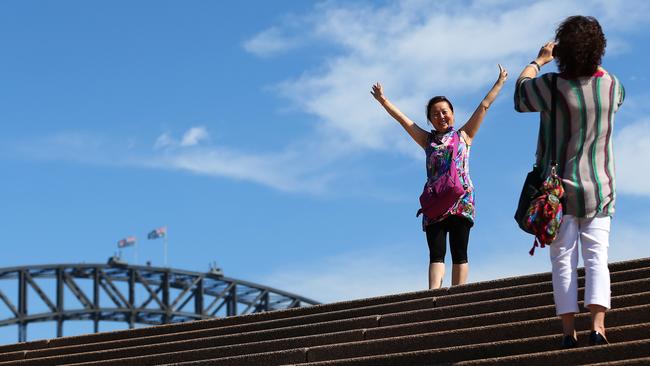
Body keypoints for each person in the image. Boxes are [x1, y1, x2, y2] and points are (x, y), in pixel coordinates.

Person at [514, 16, 625, 347]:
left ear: (563, 50)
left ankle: (567, 333)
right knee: (597, 258)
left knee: (563, 259)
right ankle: (598, 327)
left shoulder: (550, 86)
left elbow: (520, 96)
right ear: (597, 50)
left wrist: (538, 61)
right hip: (600, 188)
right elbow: (617, 97)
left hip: (556, 193)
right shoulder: (612, 86)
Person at [371, 65, 508, 289]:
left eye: (445, 111)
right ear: (430, 120)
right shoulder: (427, 141)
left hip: (460, 200)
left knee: (459, 251)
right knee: (436, 253)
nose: (441, 116)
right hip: (435, 202)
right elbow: (404, 121)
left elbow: (484, 106)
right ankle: (433, 296)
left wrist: (499, 82)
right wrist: (383, 100)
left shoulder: (464, 135)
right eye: (435, 114)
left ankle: (457, 296)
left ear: (452, 114)